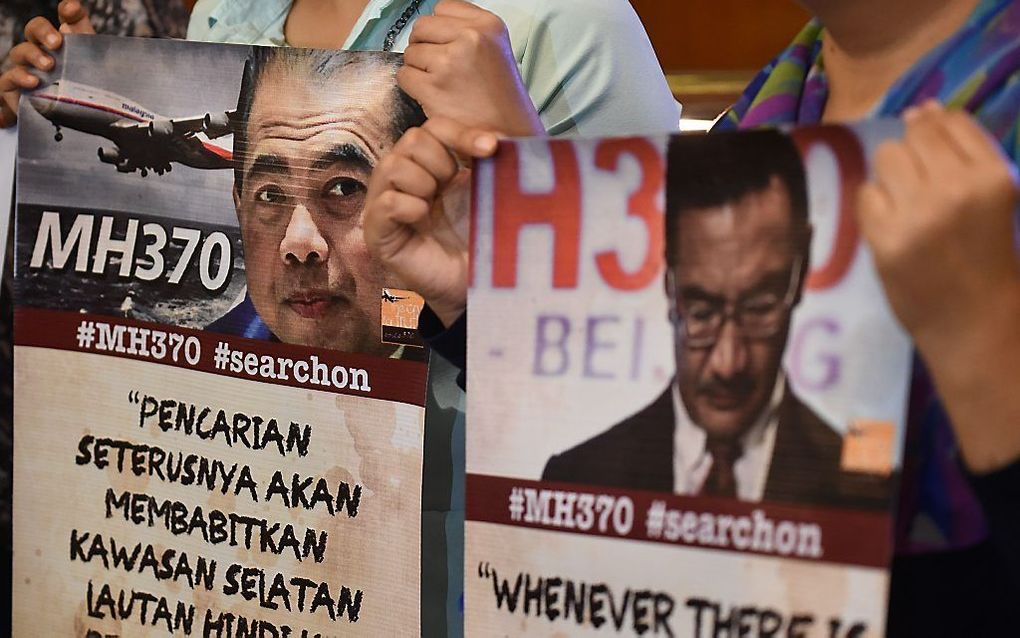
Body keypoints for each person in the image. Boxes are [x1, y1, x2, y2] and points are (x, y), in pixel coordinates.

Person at [364, 0, 1020, 635]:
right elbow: (629, 485)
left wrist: (985, 343)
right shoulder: (778, 102)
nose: (729, 354)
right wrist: (502, 292)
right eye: (700, 307)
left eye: (763, 305)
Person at [543, 130, 886, 509]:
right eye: (702, 311)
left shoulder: (862, 491)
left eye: (759, 308)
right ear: (668, 281)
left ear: (801, 269)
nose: (728, 363)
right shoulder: (578, 476)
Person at [209, 46, 427, 357]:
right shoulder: (204, 362)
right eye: (271, 195)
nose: (298, 244)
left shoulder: (473, 359)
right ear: (239, 207)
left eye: (345, 188)